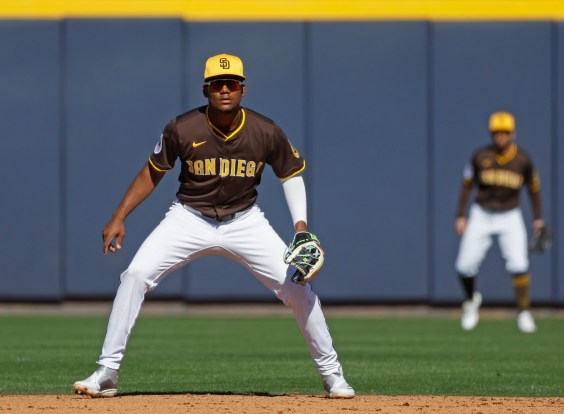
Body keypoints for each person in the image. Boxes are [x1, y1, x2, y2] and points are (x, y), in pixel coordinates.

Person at [72, 53, 355, 398]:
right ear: (206, 89)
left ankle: (333, 376)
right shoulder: (182, 127)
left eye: (231, 84)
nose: (225, 89)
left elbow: (290, 174)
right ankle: (107, 372)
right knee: (134, 275)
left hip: (245, 221)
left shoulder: (265, 130)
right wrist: (120, 215)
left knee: (298, 288)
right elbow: (152, 172)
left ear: (243, 89)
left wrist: (300, 226)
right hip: (188, 217)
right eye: (217, 84)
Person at [454, 111, 544, 333]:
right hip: (481, 214)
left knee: (519, 264)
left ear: (514, 133)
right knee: (464, 266)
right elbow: (466, 184)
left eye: (505, 132)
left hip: (510, 215)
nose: (501, 137)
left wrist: (538, 218)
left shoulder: (523, 160)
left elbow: (534, 189)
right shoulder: (480, 156)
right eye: (497, 133)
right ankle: (471, 300)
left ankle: (523, 312)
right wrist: (460, 214)